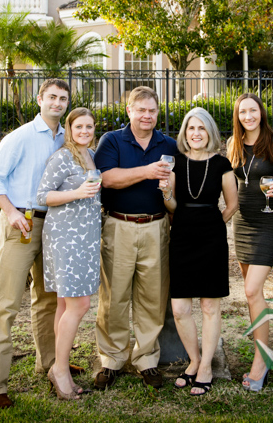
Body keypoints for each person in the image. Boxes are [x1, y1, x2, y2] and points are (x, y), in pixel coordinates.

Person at [0, 79, 70, 409]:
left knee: (46, 299)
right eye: (52, 97)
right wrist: (10, 212)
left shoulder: (67, 138)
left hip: (53, 225)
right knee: (6, 304)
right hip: (21, 222)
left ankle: (48, 364)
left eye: (63, 98)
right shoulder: (19, 137)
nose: (57, 103)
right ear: (39, 99)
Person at [94, 86, 178, 390]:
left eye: (152, 111)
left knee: (152, 296)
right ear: (128, 110)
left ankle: (146, 359)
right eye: (140, 110)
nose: (147, 116)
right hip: (119, 225)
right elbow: (107, 179)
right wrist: (146, 172)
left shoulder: (168, 144)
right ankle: (112, 359)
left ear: (157, 112)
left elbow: (175, 187)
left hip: (157, 226)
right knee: (114, 296)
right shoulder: (113, 140)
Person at [163, 107, 238, 396]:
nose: (196, 133)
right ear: (185, 133)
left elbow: (232, 205)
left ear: (210, 132)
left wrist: (212, 224)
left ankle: (206, 365)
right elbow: (171, 205)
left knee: (209, 305)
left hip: (211, 239)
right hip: (181, 237)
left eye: (201, 128)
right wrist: (165, 194)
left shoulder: (222, 164)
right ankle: (193, 360)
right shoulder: (175, 163)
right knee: (180, 308)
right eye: (191, 128)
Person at [36, 107, 101, 400]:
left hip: (85, 238)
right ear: (70, 130)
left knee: (65, 305)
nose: (84, 131)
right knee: (79, 305)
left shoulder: (89, 155)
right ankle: (60, 370)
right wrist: (77, 193)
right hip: (65, 238)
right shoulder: (62, 157)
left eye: (89, 127)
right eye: (79, 127)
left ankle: (57, 367)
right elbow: (43, 196)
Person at [226, 93, 273, 392]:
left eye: (252, 111)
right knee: (254, 295)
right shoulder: (233, 144)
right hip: (243, 223)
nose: (247, 116)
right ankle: (260, 350)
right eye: (242, 112)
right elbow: (229, 180)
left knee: (251, 290)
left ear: (261, 113)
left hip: (269, 223)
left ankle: (261, 362)